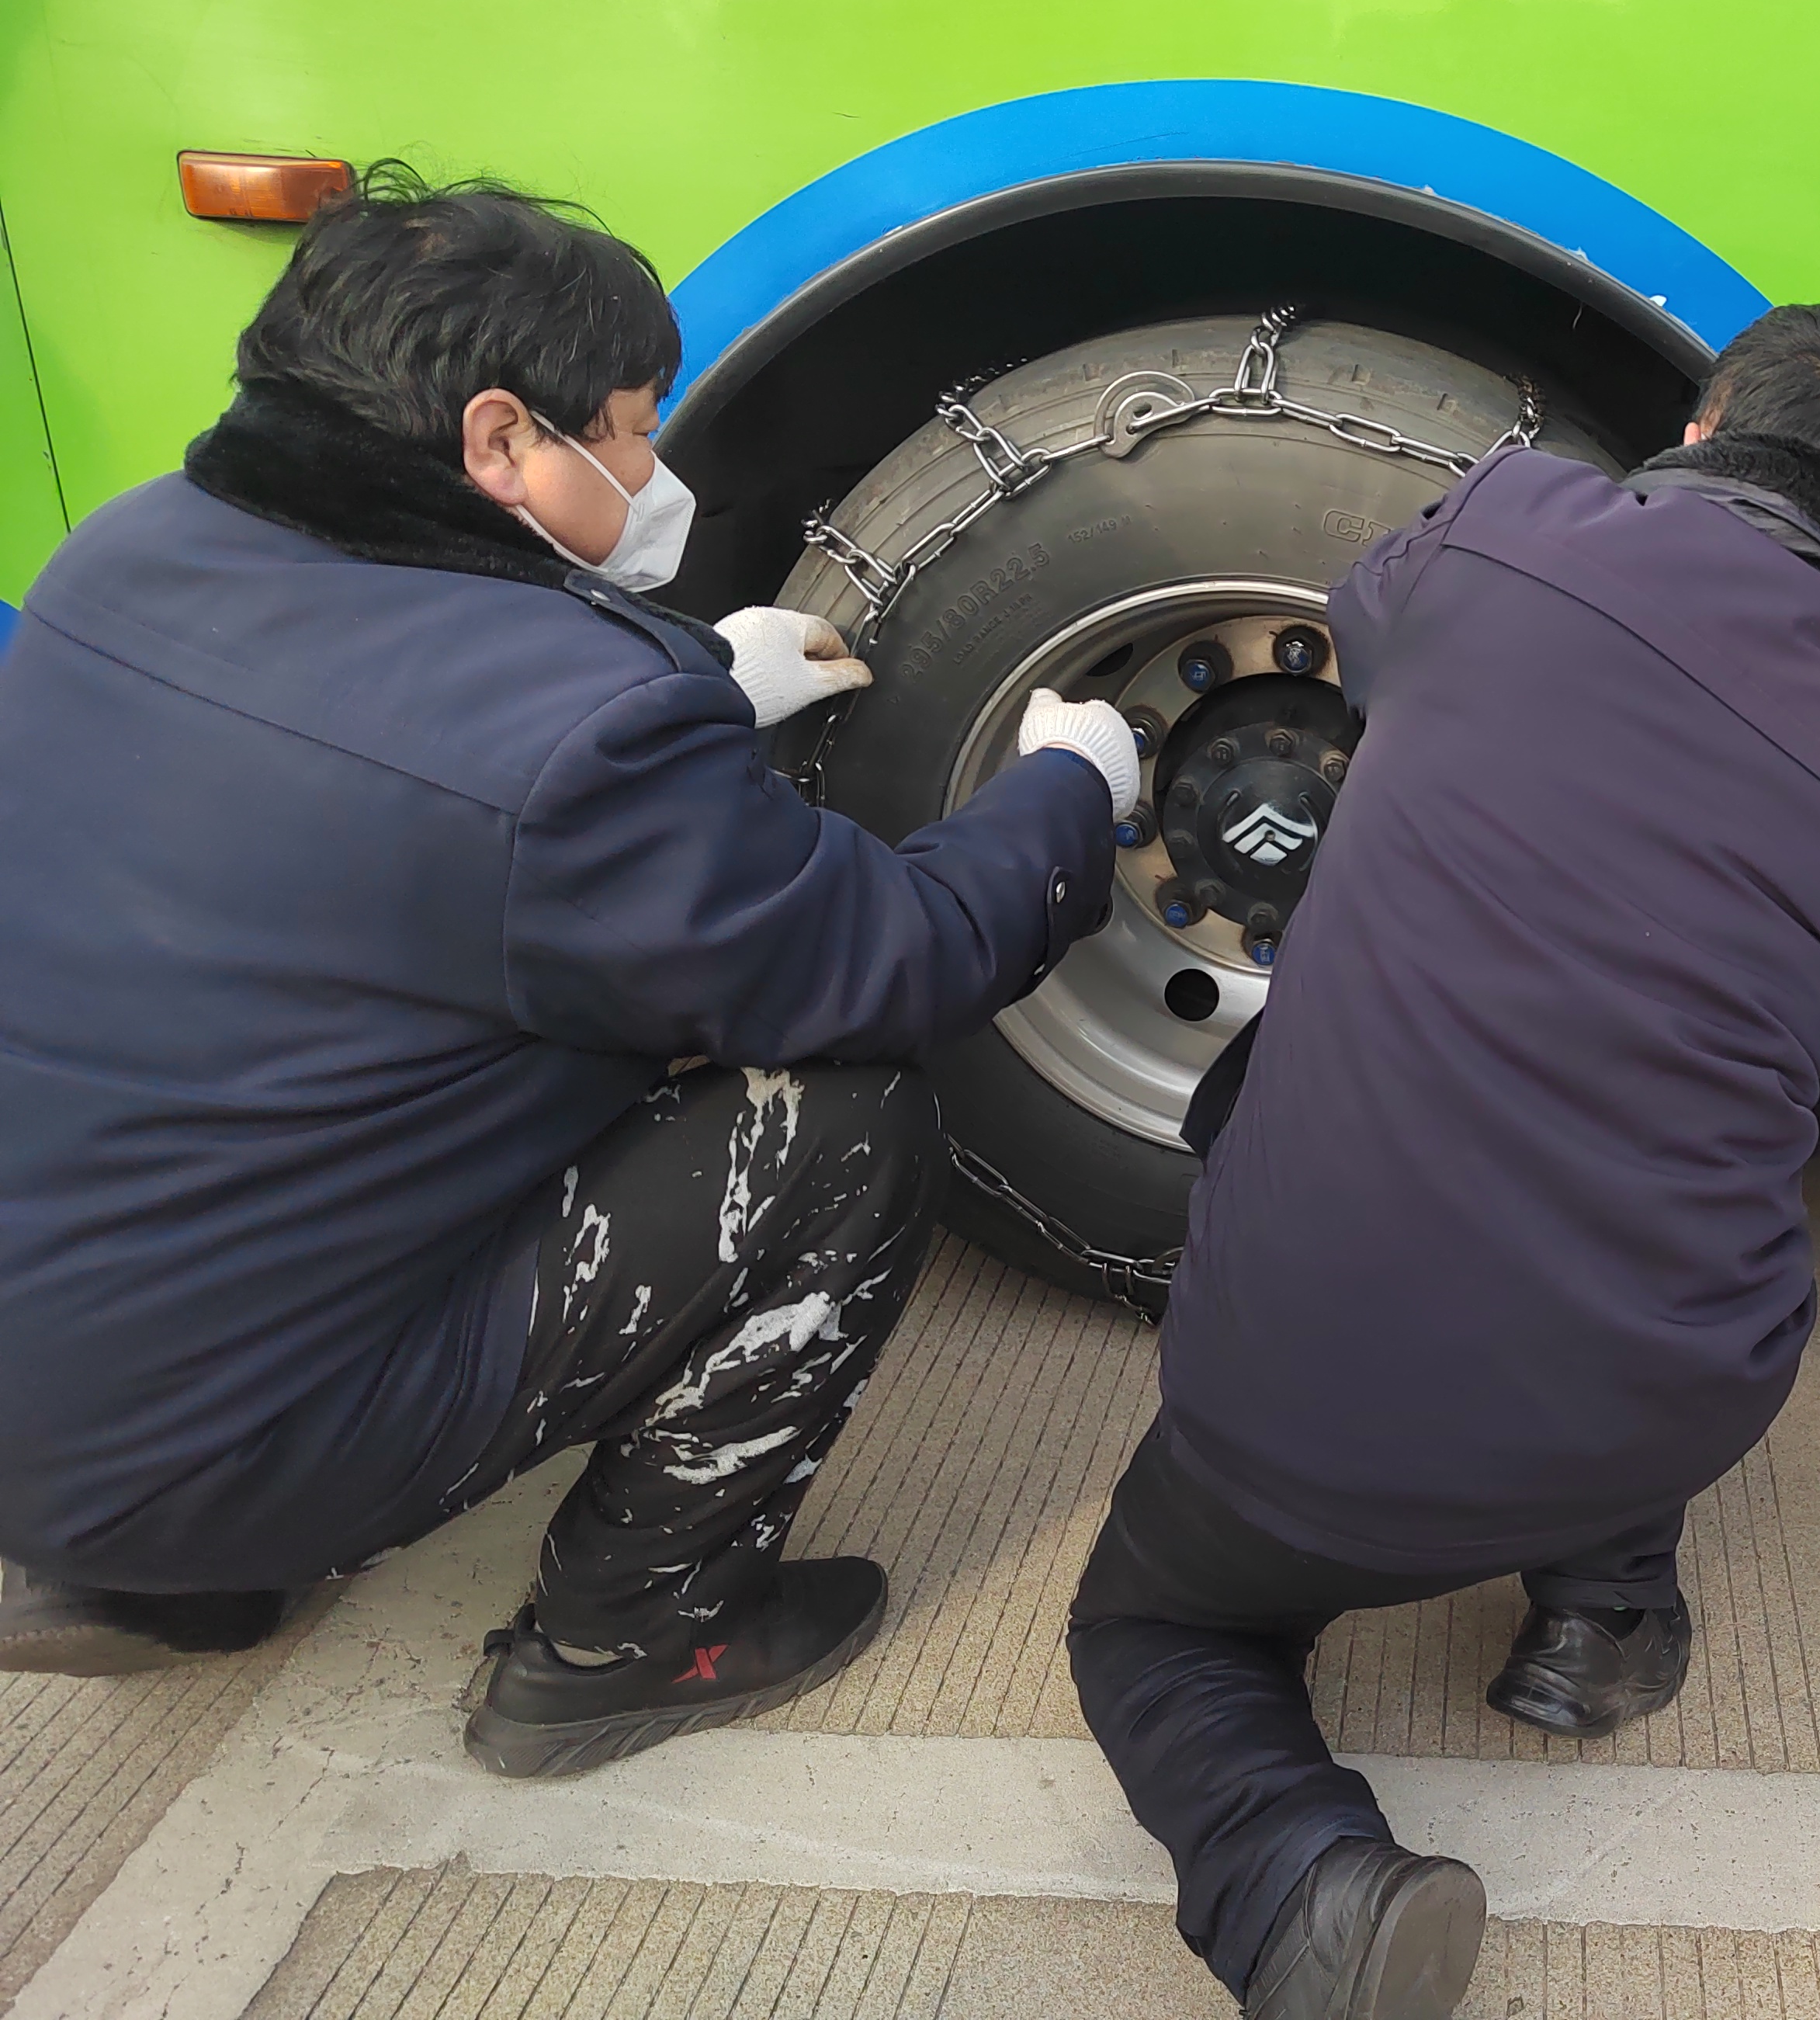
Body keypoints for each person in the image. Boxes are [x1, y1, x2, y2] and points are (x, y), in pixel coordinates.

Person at [0, 168, 1141, 1781]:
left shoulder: (120, 557)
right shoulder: (573, 737)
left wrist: (699, 683)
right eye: (630, 430)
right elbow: (896, 957)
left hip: (51, 1383)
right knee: (835, 1122)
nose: (654, 473)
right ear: (498, 442)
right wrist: (1067, 794)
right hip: (217, 1449)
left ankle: (136, 1568)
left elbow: (378, 798)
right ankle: (632, 1636)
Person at [1066, 306, 1820, 2020]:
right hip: (1654, 1400)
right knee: (1669, 1190)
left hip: (1298, 1398)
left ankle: (1302, 1879)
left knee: (1153, 1629)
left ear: (1702, 434)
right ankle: (1597, 1625)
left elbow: (1357, 636)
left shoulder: (1509, 529)